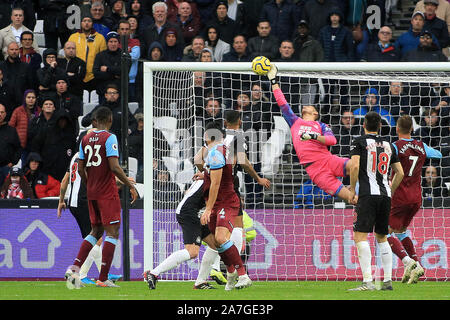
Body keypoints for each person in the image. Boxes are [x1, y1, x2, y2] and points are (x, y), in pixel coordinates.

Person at [64, 106, 138, 289]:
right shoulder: (110, 137)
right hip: (107, 192)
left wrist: (91, 183)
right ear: (110, 120)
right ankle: (103, 278)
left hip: (91, 192)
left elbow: (81, 169)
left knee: (95, 231)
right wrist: (129, 185)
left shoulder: (85, 139)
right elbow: (113, 166)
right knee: (112, 232)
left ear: (95, 121)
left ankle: (74, 269)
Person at [265, 63, 355, 203]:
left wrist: (314, 136)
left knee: (357, 165)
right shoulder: (295, 122)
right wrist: (273, 81)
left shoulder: (321, 125)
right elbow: (282, 104)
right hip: (315, 170)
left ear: (315, 112)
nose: (306, 105)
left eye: (310, 106)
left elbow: (332, 141)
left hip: (328, 160)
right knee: (351, 199)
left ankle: (374, 186)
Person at [58, 126, 123, 285]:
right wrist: (125, 182)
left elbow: (65, 180)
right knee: (97, 236)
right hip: (84, 199)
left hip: (73, 201)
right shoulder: (90, 155)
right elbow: (98, 177)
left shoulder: (75, 156)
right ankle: (78, 273)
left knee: (95, 236)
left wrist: (61, 200)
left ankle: (102, 273)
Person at [348, 111, 404, 291]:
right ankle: (387, 281)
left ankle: (368, 282)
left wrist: (351, 189)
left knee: (360, 236)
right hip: (385, 195)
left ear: (364, 124)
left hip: (368, 195)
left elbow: (355, 166)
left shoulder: (359, 142)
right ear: (380, 125)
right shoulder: (389, 145)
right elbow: (400, 173)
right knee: (382, 236)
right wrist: (390, 190)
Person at [387, 115, 442, 285]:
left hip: (399, 195)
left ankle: (410, 263)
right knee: (401, 231)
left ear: (397, 129)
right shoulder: (421, 145)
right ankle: (415, 265)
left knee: (383, 231)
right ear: (412, 129)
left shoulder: (394, 146)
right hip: (416, 197)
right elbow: (438, 154)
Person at [199, 121, 252, 290]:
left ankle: (243, 275)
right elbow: (217, 176)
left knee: (221, 238)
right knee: (217, 241)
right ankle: (230, 273)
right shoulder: (223, 150)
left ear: (206, 136)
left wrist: (208, 209)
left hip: (225, 202)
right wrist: (203, 175)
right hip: (220, 200)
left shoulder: (215, 153)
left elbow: (216, 184)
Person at [68, 13, 107, 95]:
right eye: (84, 21)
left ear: (92, 23)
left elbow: (103, 57)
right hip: (77, 76)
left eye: (89, 21)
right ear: (81, 23)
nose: (86, 23)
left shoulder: (100, 38)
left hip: (93, 76)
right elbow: (68, 55)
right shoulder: (73, 37)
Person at [8, 89, 40, 165]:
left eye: (33, 97)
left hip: (35, 144)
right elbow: (10, 127)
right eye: (28, 97)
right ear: (24, 98)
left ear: (36, 99)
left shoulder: (39, 111)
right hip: (22, 144)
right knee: (23, 165)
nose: (31, 99)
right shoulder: (18, 110)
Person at [0, 103, 21, 186]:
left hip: (6, 168)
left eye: (2, 112)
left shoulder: (11, 131)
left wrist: (12, 162)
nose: (0, 114)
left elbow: (18, 148)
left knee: (5, 194)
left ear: (5, 114)